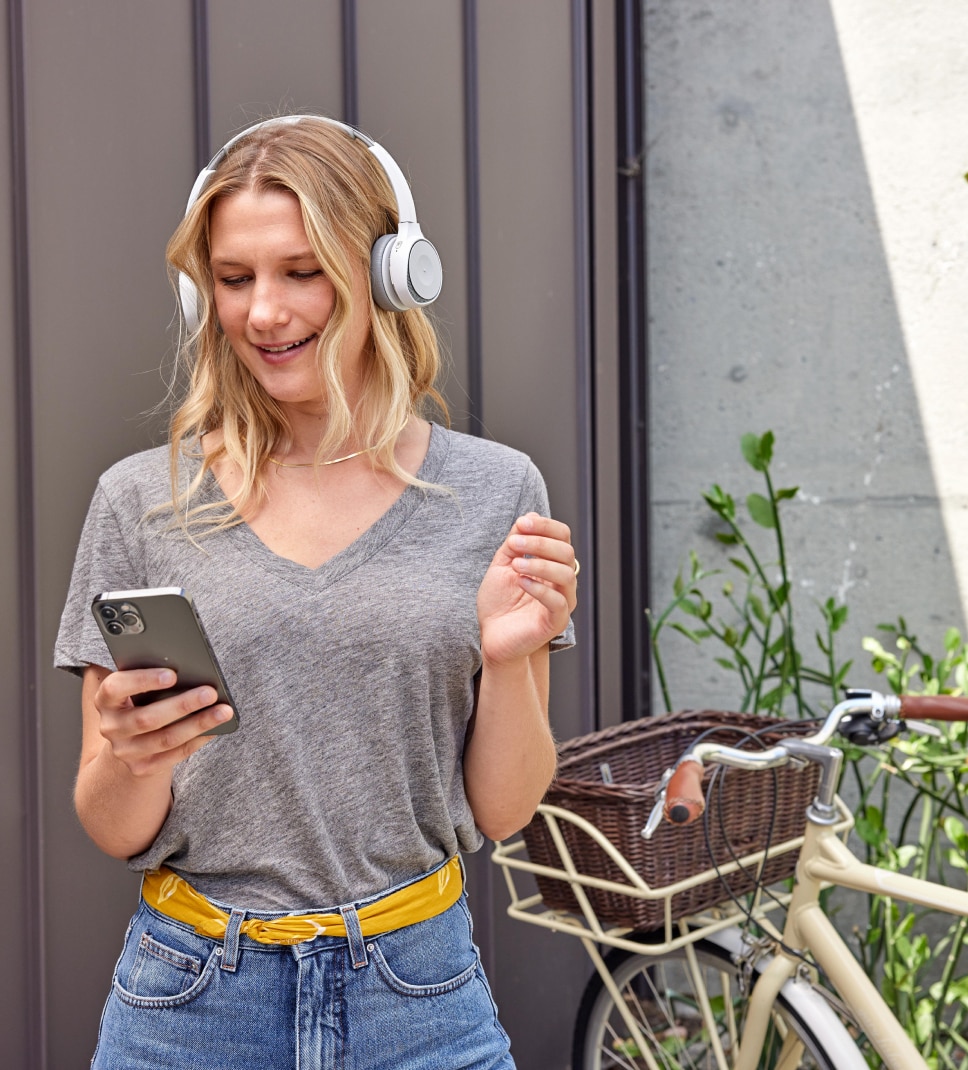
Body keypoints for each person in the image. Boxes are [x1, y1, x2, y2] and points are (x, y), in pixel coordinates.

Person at [54, 114, 577, 1070]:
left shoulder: (498, 492)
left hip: (418, 997)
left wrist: (504, 663)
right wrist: (129, 755)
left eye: (303, 271)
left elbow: (503, 812)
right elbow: (113, 825)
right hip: (191, 1002)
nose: (263, 313)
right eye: (234, 278)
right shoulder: (142, 500)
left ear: (389, 276)